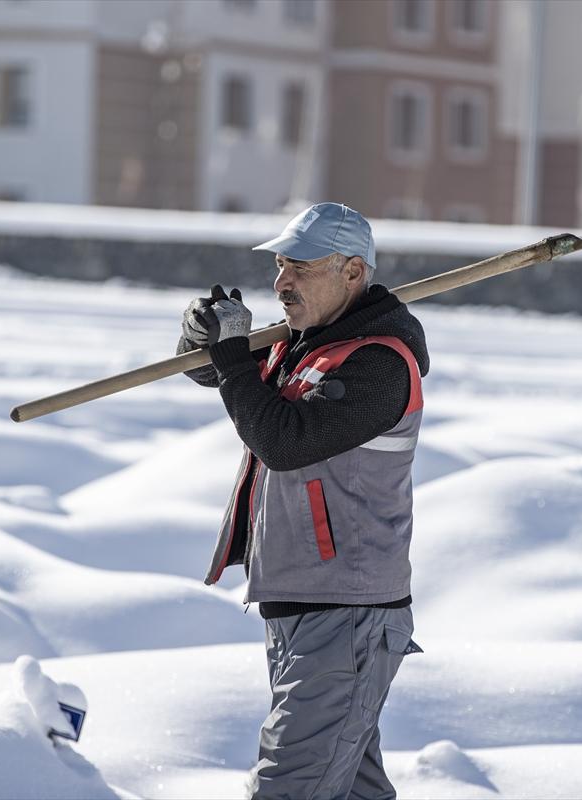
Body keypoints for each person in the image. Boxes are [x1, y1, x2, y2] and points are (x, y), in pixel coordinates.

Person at [176, 202, 428, 800]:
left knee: (288, 790)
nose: (281, 283)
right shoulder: (304, 348)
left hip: (346, 614)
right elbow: (217, 375)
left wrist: (235, 361)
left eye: (301, 268)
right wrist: (203, 337)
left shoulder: (377, 366)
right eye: (281, 266)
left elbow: (283, 441)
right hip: (303, 609)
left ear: (351, 274)